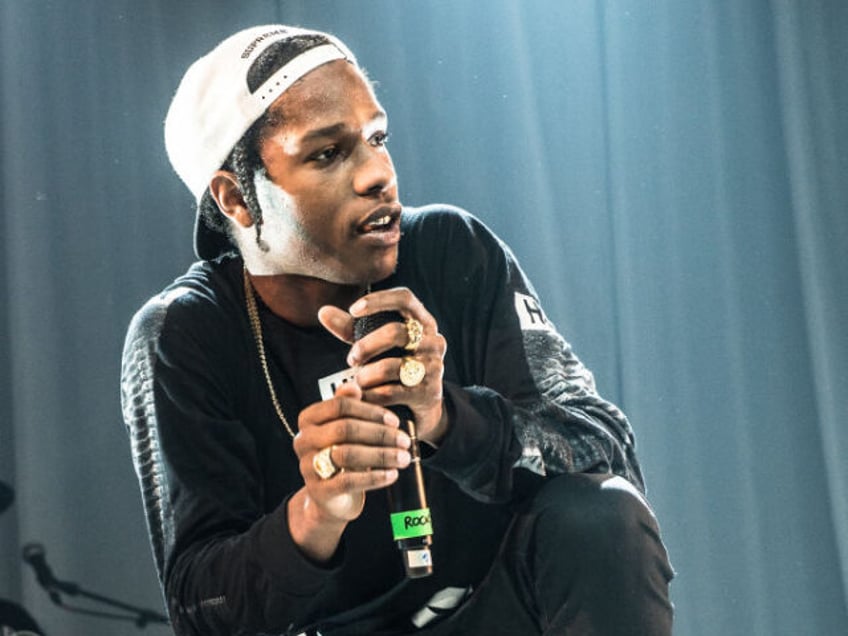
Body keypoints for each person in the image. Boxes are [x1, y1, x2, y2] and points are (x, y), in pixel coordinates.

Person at [120, 24, 674, 636]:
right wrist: (316, 513)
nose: (376, 174)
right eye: (327, 154)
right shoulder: (183, 334)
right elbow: (203, 611)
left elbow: (603, 448)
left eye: (377, 138)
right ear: (236, 199)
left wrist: (446, 419)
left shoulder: (451, 251)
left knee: (600, 514)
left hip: (496, 608)